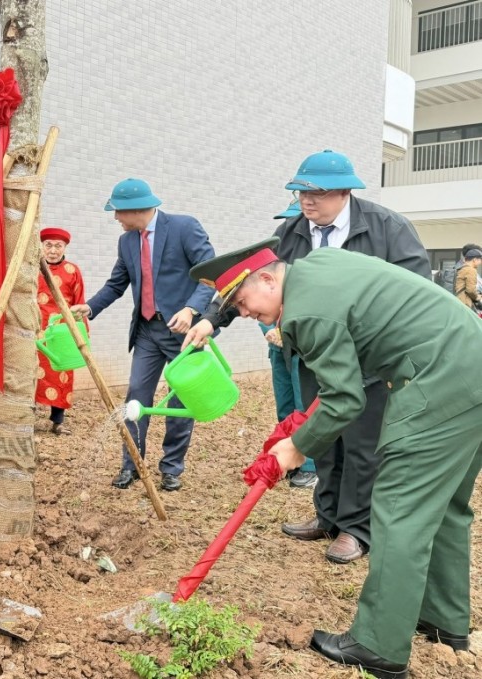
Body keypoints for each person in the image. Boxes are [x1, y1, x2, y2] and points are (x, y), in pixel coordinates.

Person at [190, 239, 482, 679]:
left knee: (400, 510)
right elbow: (345, 370)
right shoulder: (318, 267)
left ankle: (378, 645)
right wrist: (298, 427)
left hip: (436, 380)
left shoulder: (306, 311)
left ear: (268, 279)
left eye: (242, 301)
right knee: (445, 507)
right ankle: (444, 620)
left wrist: (295, 448)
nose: (244, 313)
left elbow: (344, 400)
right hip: (470, 364)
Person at [183, 150, 430, 563]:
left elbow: (416, 290)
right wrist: (212, 320)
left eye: (316, 194)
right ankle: (328, 515)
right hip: (316, 353)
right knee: (324, 436)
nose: (306, 202)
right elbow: (252, 280)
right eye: (300, 193)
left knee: (362, 444)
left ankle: (356, 528)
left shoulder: (388, 228)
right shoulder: (294, 232)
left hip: (371, 360)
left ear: (345, 192)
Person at [70, 178, 215, 492]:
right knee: (136, 394)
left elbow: (210, 275)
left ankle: (172, 468)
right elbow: (116, 284)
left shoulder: (184, 228)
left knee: (180, 400)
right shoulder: (127, 242)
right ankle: (132, 463)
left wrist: (191, 310)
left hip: (184, 333)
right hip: (148, 330)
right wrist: (90, 307)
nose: (115, 218)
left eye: (118, 212)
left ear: (135, 210)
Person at [265, 198, 315, 489]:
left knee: (303, 403)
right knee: (284, 403)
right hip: (277, 345)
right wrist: (268, 328)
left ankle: (308, 464)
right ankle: (286, 457)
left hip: (302, 346)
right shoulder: (276, 260)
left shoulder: (311, 266)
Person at [36, 227, 87, 435]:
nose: (53, 250)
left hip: (62, 332)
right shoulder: (33, 269)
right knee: (31, 372)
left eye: (58, 246)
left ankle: (58, 421)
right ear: (42, 247)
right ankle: (26, 418)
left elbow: (80, 302)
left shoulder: (72, 271)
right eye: (48, 245)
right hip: (37, 330)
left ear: (65, 247)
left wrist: (82, 335)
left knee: (62, 372)